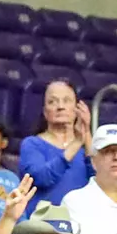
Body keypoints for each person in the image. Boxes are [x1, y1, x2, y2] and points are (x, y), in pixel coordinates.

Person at [19, 80, 93, 212]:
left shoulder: (86, 148)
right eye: (52, 102)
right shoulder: (32, 144)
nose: (60, 106)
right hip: (41, 226)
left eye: (66, 101)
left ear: (78, 108)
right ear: (45, 112)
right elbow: (42, 178)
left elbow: (99, 181)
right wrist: (76, 143)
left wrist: (86, 133)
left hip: (79, 225)